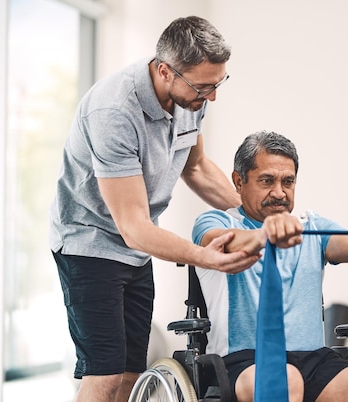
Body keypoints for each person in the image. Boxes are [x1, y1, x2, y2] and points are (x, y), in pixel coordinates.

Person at [49, 16, 260, 402]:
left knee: (133, 371)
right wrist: (204, 257)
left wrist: (256, 213)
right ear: (165, 71)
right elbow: (132, 226)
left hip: (136, 249)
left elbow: (195, 168)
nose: (211, 97)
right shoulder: (113, 111)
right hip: (89, 244)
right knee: (106, 373)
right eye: (203, 86)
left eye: (218, 83)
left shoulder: (191, 98)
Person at [192, 130, 348, 402]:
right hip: (245, 360)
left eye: (288, 182)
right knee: (285, 381)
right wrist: (264, 234)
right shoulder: (216, 222)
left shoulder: (311, 226)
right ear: (239, 182)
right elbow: (222, 244)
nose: (279, 192)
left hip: (313, 361)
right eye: (267, 181)